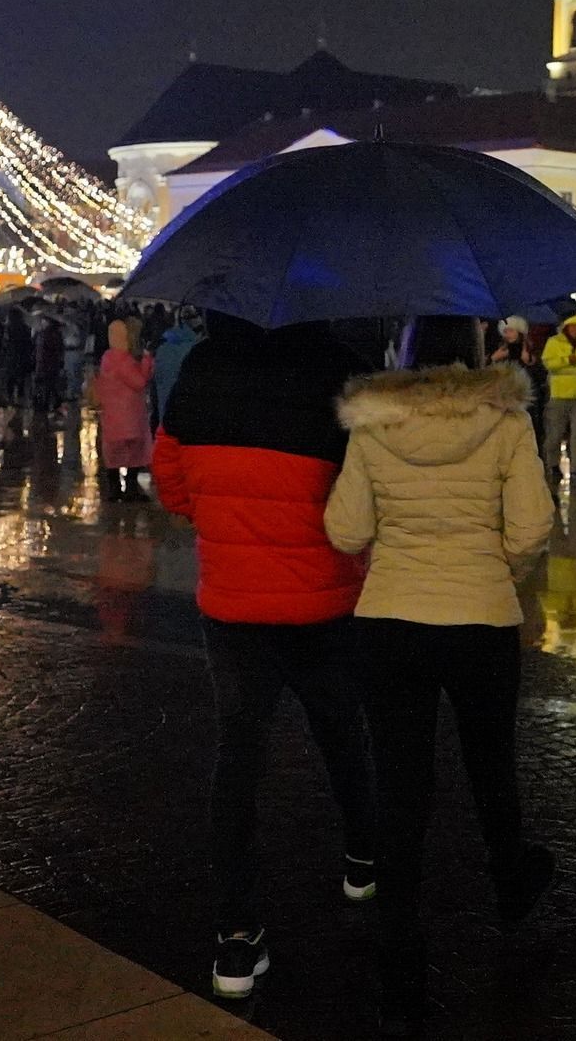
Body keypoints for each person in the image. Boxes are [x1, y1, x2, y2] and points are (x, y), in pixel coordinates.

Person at [324, 316, 556, 1037]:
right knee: (491, 763)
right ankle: (511, 880)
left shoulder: (373, 426)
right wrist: (494, 569)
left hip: (391, 621)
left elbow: (346, 530)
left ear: (408, 354)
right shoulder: (506, 420)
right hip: (481, 620)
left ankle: (400, 930)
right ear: (476, 351)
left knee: (401, 779)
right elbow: (531, 526)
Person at [151, 313, 375, 1003]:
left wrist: (223, 520)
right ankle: (364, 860)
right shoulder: (338, 371)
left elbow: (171, 481)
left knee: (238, 761)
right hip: (325, 604)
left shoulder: (201, 370)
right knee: (342, 733)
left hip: (234, 607)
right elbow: (358, 503)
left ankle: (237, 937)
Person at [92, 319, 156, 499]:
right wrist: (146, 360)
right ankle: (130, 488)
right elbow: (140, 382)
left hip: (111, 413)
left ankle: (114, 489)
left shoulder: (107, 358)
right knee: (133, 452)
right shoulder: (124, 360)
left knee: (113, 452)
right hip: (130, 414)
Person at [538, 314, 576, 482]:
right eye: (573, 327)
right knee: (555, 433)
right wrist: (568, 360)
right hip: (559, 394)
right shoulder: (554, 343)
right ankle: (553, 464)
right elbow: (549, 364)